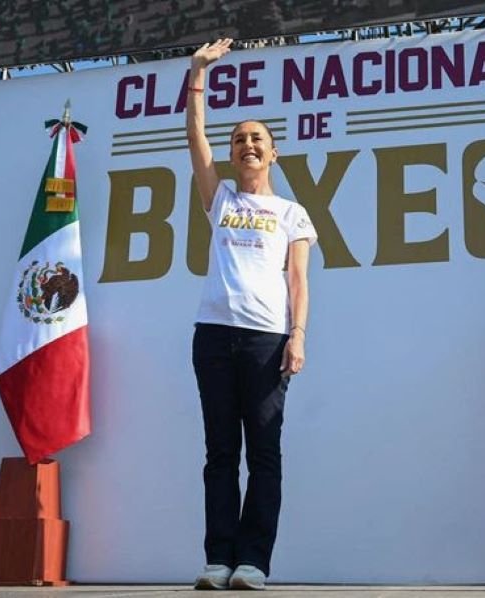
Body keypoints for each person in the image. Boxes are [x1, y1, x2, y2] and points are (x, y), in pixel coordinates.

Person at [186, 38, 317, 591]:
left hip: (267, 340)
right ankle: (219, 558)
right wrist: (197, 76)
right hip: (215, 335)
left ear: (273, 152)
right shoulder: (221, 200)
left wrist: (297, 335)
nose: (246, 145)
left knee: (264, 452)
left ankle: (253, 562)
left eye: (256, 138)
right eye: (238, 139)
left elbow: (298, 281)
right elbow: (195, 138)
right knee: (221, 451)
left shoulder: (291, 212)